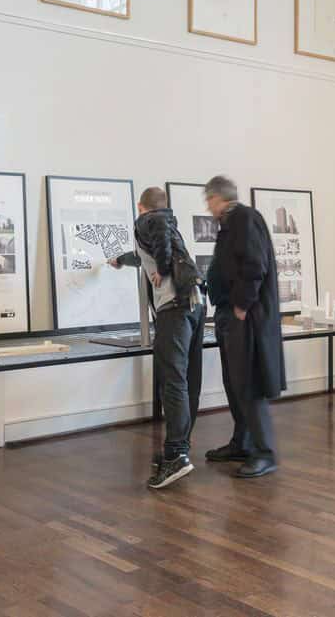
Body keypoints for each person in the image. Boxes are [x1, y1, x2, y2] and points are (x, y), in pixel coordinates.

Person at [109, 187, 206, 489]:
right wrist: (121, 260)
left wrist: (162, 271)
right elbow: (147, 253)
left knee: (172, 380)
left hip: (174, 309)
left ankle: (176, 455)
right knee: (186, 378)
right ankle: (178, 447)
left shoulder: (149, 221)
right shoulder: (168, 221)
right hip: (194, 305)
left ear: (141, 207)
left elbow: (158, 245)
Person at [202, 176, 285, 478]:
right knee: (234, 382)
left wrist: (241, 305)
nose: (207, 205)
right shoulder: (230, 222)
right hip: (231, 315)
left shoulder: (244, 218)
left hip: (246, 318)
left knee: (248, 383)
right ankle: (242, 442)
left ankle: (265, 452)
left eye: (208, 199)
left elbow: (255, 265)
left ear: (218, 198)